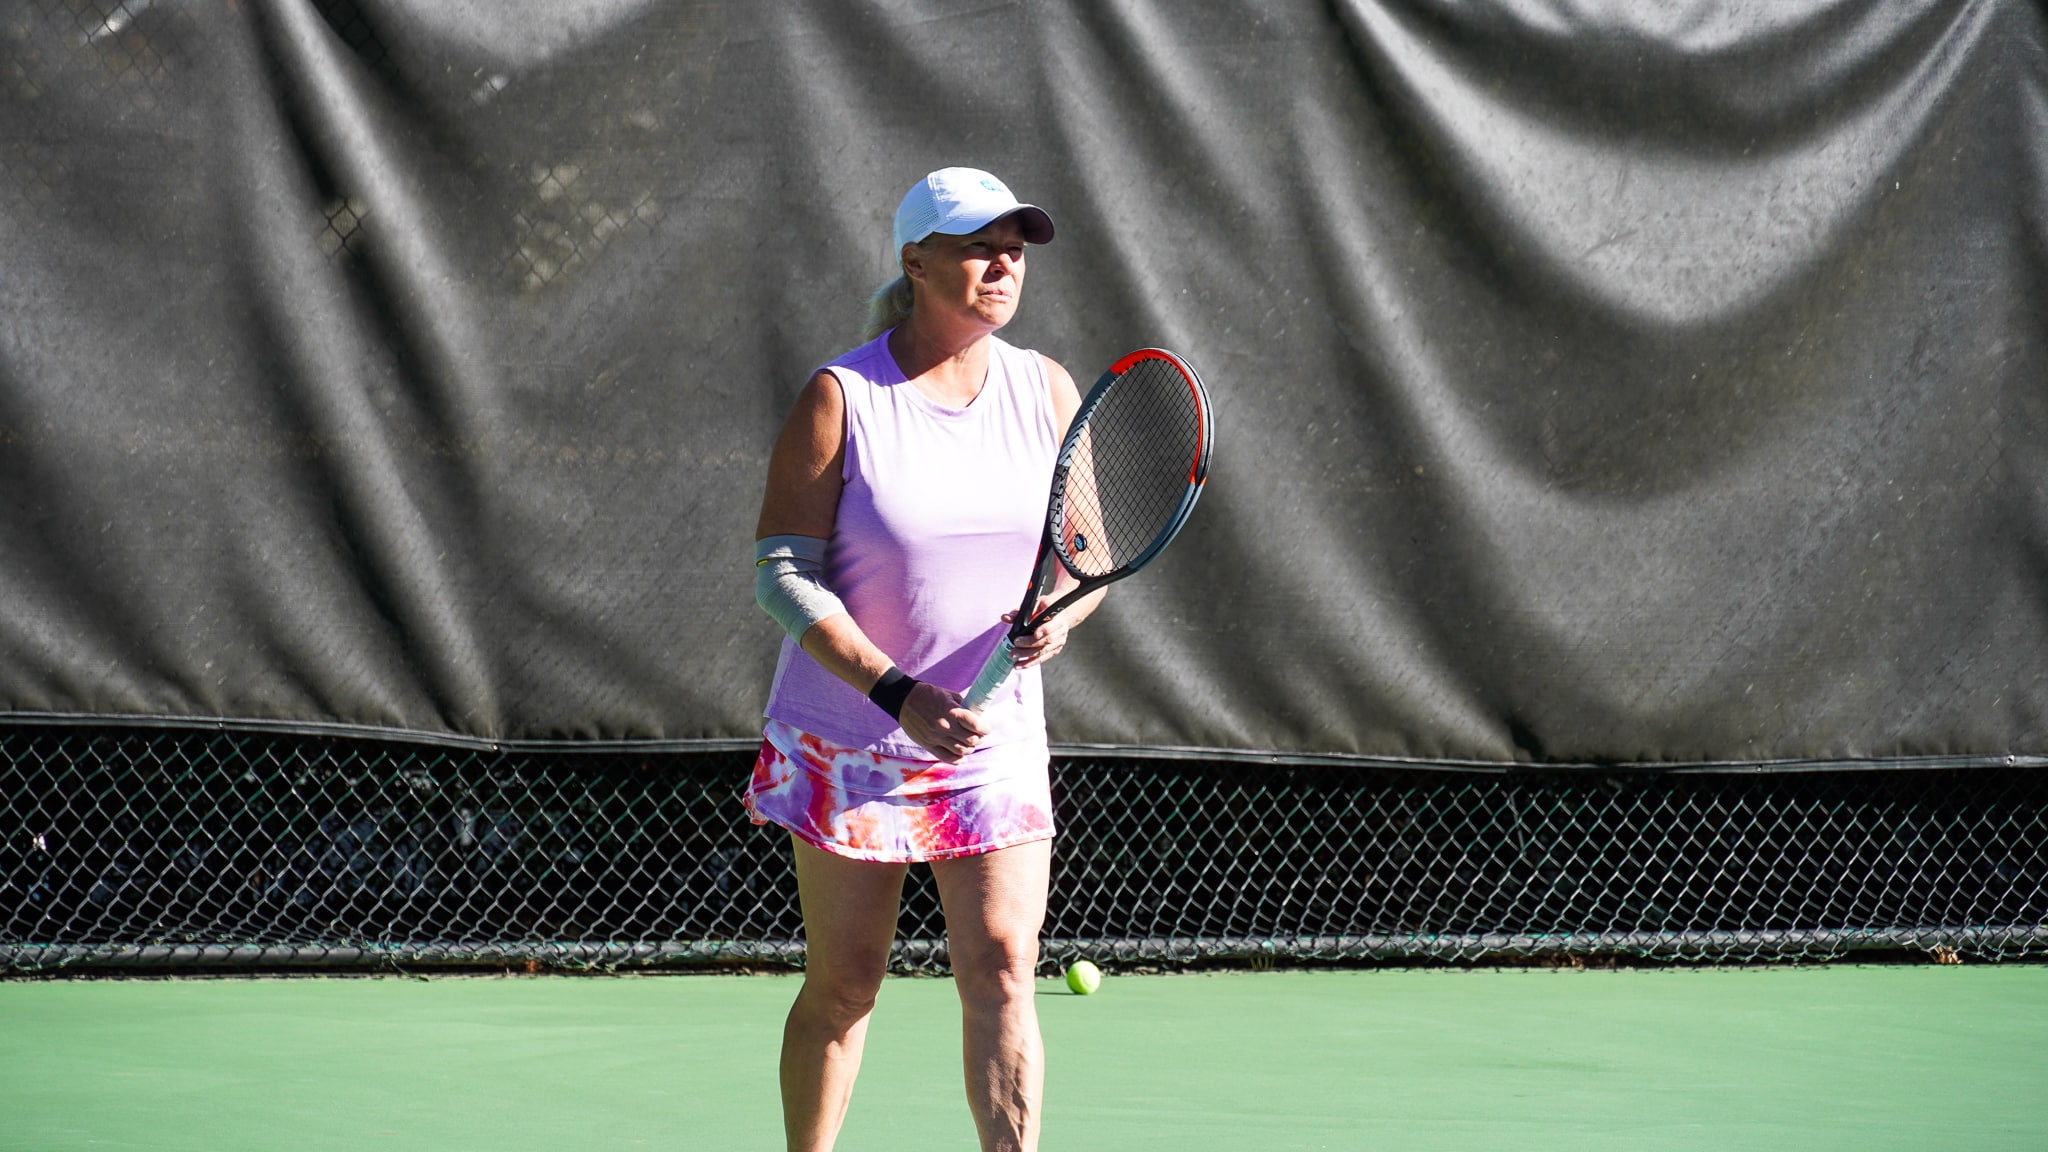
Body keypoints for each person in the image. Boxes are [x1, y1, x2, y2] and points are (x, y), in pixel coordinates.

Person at [746, 167, 1100, 1152]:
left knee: (1002, 966)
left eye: (1014, 249)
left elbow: (1086, 558)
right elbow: (782, 575)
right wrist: (895, 692)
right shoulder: (844, 395)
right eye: (980, 246)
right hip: (853, 735)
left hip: (990, 738)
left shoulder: (1044, 389)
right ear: (916, 262)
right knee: (846, 981)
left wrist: (1063, 614)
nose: (1003, 265)